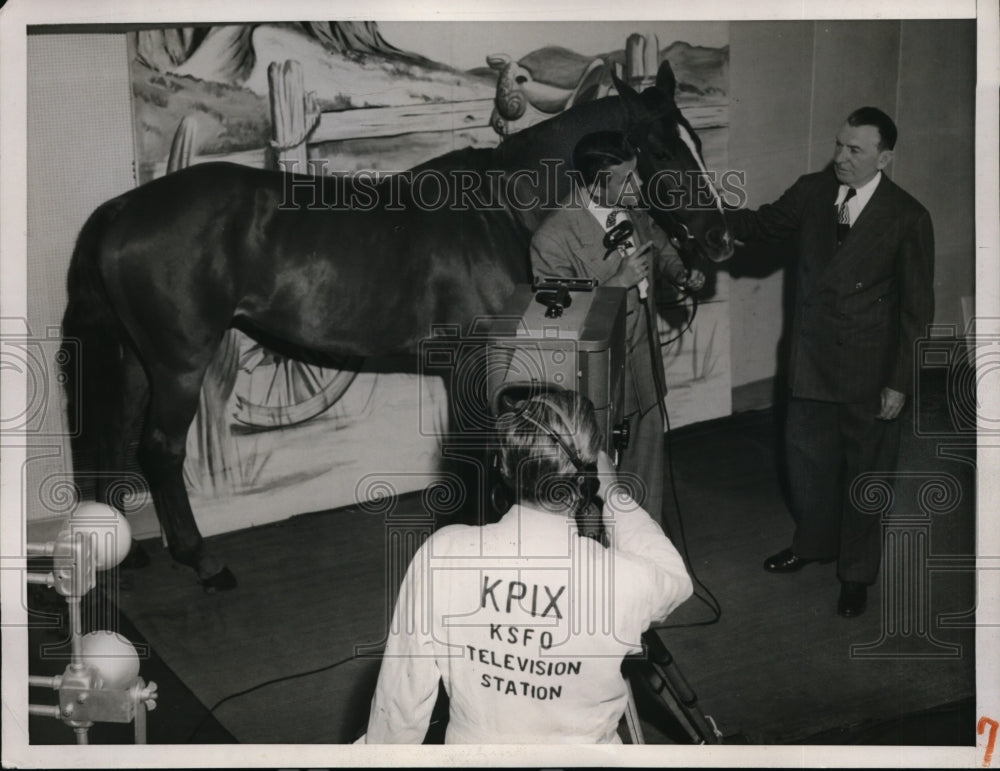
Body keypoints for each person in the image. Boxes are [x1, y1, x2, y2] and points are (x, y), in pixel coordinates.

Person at [363, 389, 692, 743]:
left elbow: (398, 709)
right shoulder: (623, 580)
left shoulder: (442, 554)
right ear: (590, 472)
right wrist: (612, 494)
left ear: (503, 465)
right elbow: (676, 579)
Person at [725, 107, 935, 617]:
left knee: (867, 476)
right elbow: (758, 225)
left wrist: (900, 382)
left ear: (884, 158)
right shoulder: (813, 192)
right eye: (839, 145)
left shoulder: (907, 216)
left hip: (870, 372)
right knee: (809, 468)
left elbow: (916, 311)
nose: (840, 157)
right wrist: (700, 211)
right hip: (811, 363)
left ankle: (856, 574)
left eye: (854, 150)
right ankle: (813, 544)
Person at [529, 131, 705, 527]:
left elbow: (656, 241)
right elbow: (556, 317)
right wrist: (617, 282)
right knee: (594, 483)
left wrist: (678, 272)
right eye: (627, 178)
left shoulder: (630, 204)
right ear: (595, 183)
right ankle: (601, 562)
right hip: (596, 384)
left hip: (644, 367)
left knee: (646, 475)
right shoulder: (553, 236)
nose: (639, 185)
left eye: (637, 174)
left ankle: (647, 548)